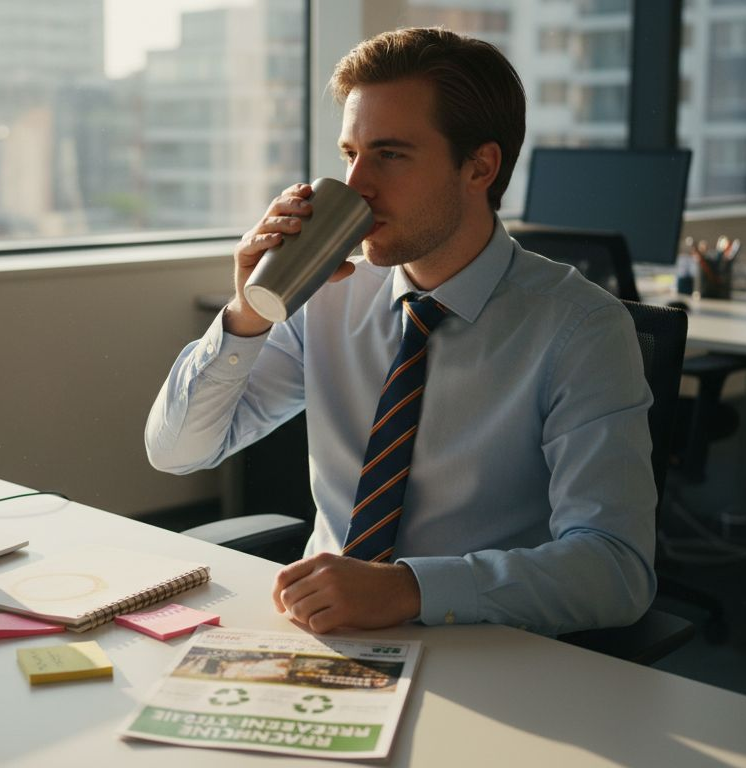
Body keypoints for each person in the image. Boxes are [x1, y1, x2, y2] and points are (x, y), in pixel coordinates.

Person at [144, 27, 657, 637]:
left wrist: (410, 590)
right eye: (349, 154)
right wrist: (248, 314)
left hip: (482, 645)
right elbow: (177, 452)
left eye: (389, 154)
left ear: (479, 167)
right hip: (320, 636)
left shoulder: (581, 329)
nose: (356, 184)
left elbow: (616, 569)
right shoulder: (325, 298)